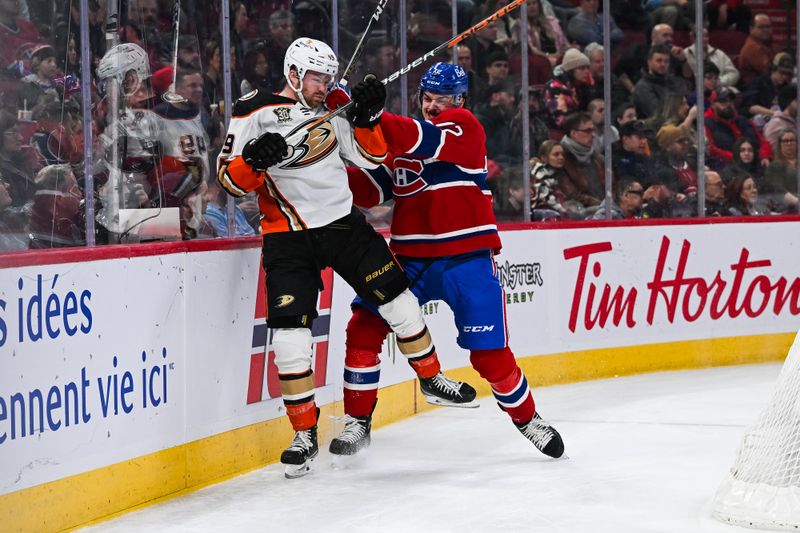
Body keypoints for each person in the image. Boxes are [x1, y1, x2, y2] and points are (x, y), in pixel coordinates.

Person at [216, 39, 475, 478]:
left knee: (399, 301)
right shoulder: (253, 110)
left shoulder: (336, 104)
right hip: (288, 237)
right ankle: (303, 434)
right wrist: (253, 163)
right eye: (317, 78)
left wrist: (369, 117)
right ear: (294, 74)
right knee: (290, 343)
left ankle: (432, 378)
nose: (326, 85)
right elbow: (229, 180)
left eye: (328, 78)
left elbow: (372, 155)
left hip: (343, 225)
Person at [339, 62, 565, 459]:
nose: (433, 106)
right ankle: (358, 422)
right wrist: (325, 165)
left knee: (490, 355)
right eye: (427, 98)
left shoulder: (464, 126)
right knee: (363, 327)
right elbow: (371, 192)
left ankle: (529, 420)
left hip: (466, 260)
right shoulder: (403, 143)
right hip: (411, 261)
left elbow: (419, 137)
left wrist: (367, 112)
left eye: (442, 99)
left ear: (460, 100)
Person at [544, 48, 594, 129]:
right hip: (560, 132)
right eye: (582, 68)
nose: (587, 71)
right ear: (571, 71)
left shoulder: (581, 86)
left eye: (587, 68)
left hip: (579, 127)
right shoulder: (555, 88)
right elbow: (560, 120)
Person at [738, 14, 775, 88]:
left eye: (768, 27)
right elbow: (770, 73)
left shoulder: (768, 44)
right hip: (757, 91)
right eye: (761, 27)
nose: (766, 30)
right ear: (751, 29)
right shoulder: (752, 47)